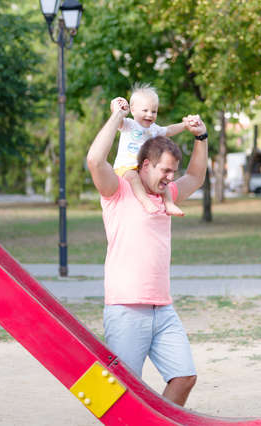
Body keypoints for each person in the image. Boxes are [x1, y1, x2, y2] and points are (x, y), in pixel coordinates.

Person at [86, 94, 208, 407]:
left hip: (162, 308)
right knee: (117, 393)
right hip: (126, 308)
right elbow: (94, 161)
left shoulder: (166, 193)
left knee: (184, 376)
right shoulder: (117, 190)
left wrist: (201, 137)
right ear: (144, 165)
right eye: (165, 171)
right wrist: (117, 116)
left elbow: (195, 176)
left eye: (173, 172)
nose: (170, 178)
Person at [111, 83, 201, 216]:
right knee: (134, 178)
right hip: (126, 167)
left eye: (154, 111)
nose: (150, 115)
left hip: (145, 168)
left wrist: (185, 125)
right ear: (133, 110)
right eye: (145, 110)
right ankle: (145, 202)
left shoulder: (154, 129)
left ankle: (169, 204)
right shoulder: (128, 124)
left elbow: (170, 130)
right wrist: (116, 104)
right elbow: (116, 119)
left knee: (162, 180)